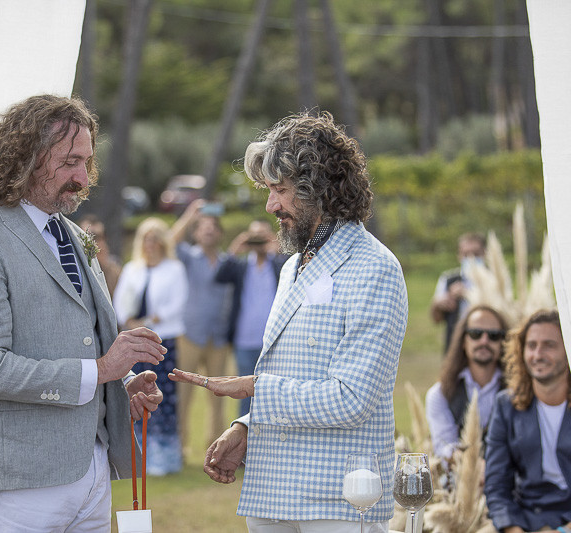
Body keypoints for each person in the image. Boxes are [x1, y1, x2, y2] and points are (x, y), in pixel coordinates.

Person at [170, 111, 409, 533]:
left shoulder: (376, 268)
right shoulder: (292, 266)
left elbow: (351, 398)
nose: (270, 205)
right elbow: (290, 373)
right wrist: (246, 425)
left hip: (339, 499)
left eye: (279, 190)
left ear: (318, 189)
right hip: (273, 491)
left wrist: (256, 390)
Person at [0, 94, 166, 531]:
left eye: (87, 162)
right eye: (68, 162)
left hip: (94, 472)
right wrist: (100, 370)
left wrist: (122, 385)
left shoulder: (75, 235)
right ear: (24, 158)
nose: (82, 178)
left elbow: (77, 343)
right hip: (19, 481)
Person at [484, 309, 571, 533]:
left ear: (569, 350)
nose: (538, 354)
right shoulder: (505, 406)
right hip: (526, 519)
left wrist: (569, 530)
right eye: (531, 345)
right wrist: (513, 529)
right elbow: (496, 486)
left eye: (549, 345)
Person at [114, 217, 188, 475]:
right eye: (146, 239)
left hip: (161, 340)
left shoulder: (174, 269)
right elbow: (120, 303)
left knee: (162, 396)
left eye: (156, 238)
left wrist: (149, 319)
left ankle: (164, 457)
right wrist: (129, 320)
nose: (151, 244)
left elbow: (177, 303)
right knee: (135, 395)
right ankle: (136, 454)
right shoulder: (131, 269)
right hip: (135, 341)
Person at [170, 200, 233, 453]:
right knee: (183, 397)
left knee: (219, 398)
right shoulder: (188, 257)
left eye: (213, 226)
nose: (208, 230)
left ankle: (216, 450)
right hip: (190, 334)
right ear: (196, 233)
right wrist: (189, 214)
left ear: (219, 233)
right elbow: (170, 240)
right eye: (203, 227)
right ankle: (179, 449)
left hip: (218, 338)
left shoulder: (229, 262)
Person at [215, 219, 287, 416]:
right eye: (254, 237)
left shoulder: (280, 264)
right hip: (244, 339)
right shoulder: (240, 265)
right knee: (245, 393)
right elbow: (220, 276)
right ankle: (243, 440)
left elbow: (295, 272)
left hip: (274, 342)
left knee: (274, 394)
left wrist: (277, 249)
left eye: (262, 237)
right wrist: (235, 248)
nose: (258, 242)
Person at [425, 305, 508, 461]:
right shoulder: (440, 395)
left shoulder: (518, 390)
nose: (484, 341)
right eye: (475, 334)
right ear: (463, 341)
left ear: (504, 342)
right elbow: (444, 448)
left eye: (494, 335)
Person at [430, 232, 487, 353]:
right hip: (455, 345)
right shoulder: (448, 279)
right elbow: (436, 319)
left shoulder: (494, 279)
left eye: (476, 254)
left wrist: (469, 294)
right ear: (459, 256)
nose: (471, 259)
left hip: (485, 343)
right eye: (466, 255)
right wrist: (438, 304)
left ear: (484, 253)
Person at [78, 214, 123, 298]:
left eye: (96, 238)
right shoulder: (72, 268)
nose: (92, 243)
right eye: (86, 237)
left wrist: (104, 267)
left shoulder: (115, 270)